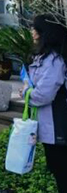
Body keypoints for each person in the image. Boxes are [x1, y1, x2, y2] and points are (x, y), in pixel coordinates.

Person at [21, 14, 67, 191]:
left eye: (36, 29)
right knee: (58, 168)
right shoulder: (46, 58)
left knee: (60, 169)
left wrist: (26, 93)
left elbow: (43, 95)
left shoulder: (54, 61)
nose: (32, 32)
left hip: (57, 124)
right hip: (52, 124)